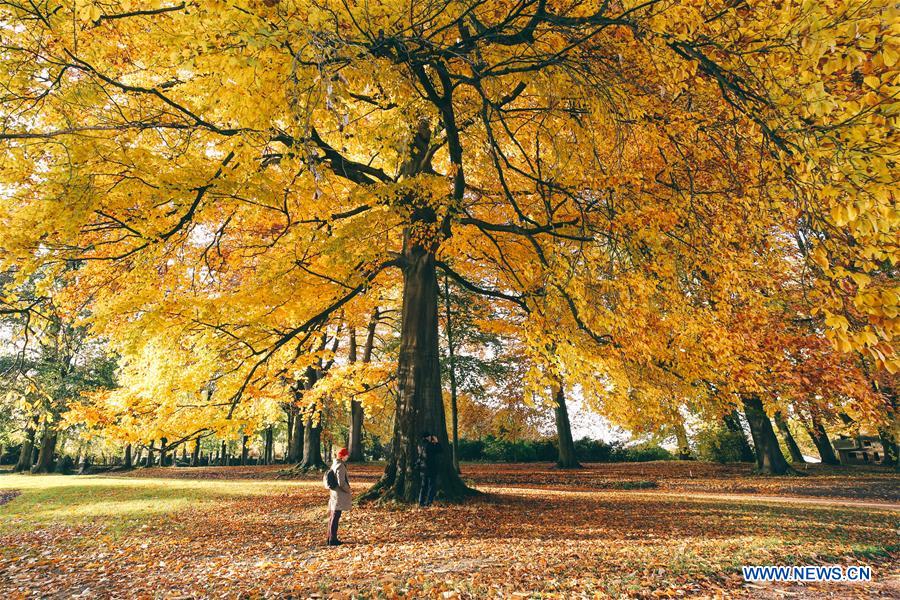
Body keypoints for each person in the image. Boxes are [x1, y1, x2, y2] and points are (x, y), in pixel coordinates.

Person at [326, 447, 351, 546]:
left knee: (333, 516)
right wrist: (348, 489)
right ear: (342, 456)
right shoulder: (340, 465)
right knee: (335, 516)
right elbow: (341, 482)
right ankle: (333, 539)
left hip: (334, 493)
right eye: (346, 455)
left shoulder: (334, 464)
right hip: (339, 494)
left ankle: (330, 538)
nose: (347, 456)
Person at [418, 432, 442, 507]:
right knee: (432, 486)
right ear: (427, 437)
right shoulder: (430, 445)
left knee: (423, 486)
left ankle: (421, 502)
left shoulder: (420, 445)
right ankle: (429, 502)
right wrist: (436, 442)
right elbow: (440, 450)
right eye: (429, 437)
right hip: (431, 468)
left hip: (423, 468)